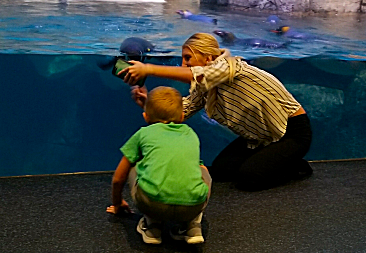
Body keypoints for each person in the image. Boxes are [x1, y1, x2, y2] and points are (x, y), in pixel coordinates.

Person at [121, 33, 313, 191]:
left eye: (188, 58)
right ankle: (272, 160)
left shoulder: (229, 66)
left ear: (209, 58)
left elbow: (199, 76)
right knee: (221, 171)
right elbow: (181, 112)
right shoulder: (205, 86)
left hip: (292, 132)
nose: (183, 64)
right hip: (259, 136)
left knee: (249, 179)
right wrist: (149, 106)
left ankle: (295, 165)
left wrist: (148, 68)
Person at [106, 86, 211, 245]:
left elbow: (118, 178)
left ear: (145, 117)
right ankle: (192, 225)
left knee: (133, 166)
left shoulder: (142, 133)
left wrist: (117, 203)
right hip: (191, 206)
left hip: (152, 205)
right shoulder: (190, 133)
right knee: (203, 170)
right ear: (182, 117)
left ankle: (152, 226)